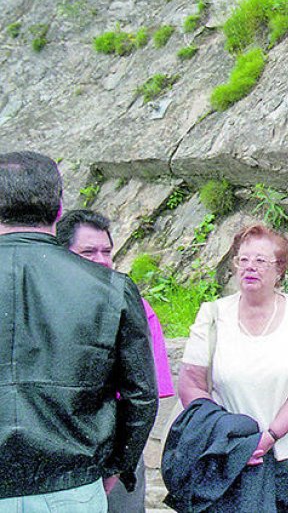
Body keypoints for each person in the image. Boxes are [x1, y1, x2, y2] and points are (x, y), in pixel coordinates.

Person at [0, 151, 157, 510]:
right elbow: (141, 395)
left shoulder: (111, 288)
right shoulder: (110, 287)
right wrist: (118, 464)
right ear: (59, 208)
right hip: (72, 485)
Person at [176, 223, 288, 512]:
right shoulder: (214, 314)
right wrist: (228, 437)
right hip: (225, 451)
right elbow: (191, 383)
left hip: (286, 453)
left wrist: (269, 437)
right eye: (242, 259)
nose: (249, 267)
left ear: (280, 269)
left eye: (260, 260)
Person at [56, 209, 176, 513]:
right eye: (88, 252)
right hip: (58, 449)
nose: (101, 260)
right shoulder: (46, 306)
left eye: (106, 251)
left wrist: (121, 461)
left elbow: (145, 393)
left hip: (116, 445)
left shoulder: (134, 307)